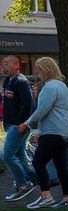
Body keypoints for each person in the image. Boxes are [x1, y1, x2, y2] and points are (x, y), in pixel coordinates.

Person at [20, 58, 68, 209]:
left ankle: (46, 196)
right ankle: (67, 198)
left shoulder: (50, 86)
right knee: (61, 165)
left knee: (38, 162)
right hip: (66, 132)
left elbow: (42, 110)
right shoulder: (62, 85)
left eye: (38, 70)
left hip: (52, 131)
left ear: (45, 70)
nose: (37, 73)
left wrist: (26, 124)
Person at [2, 55, 36, 201]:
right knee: (20, 154)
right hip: (10, 124)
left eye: (6, 63)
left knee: (7, 155)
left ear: (16, 65)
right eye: (2, 63)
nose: (2, 66)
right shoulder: (8, 81)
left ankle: (23, 183)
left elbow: (28, 104)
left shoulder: (21, 82)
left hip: (18, 126)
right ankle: (34, 179)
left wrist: (21, 123)